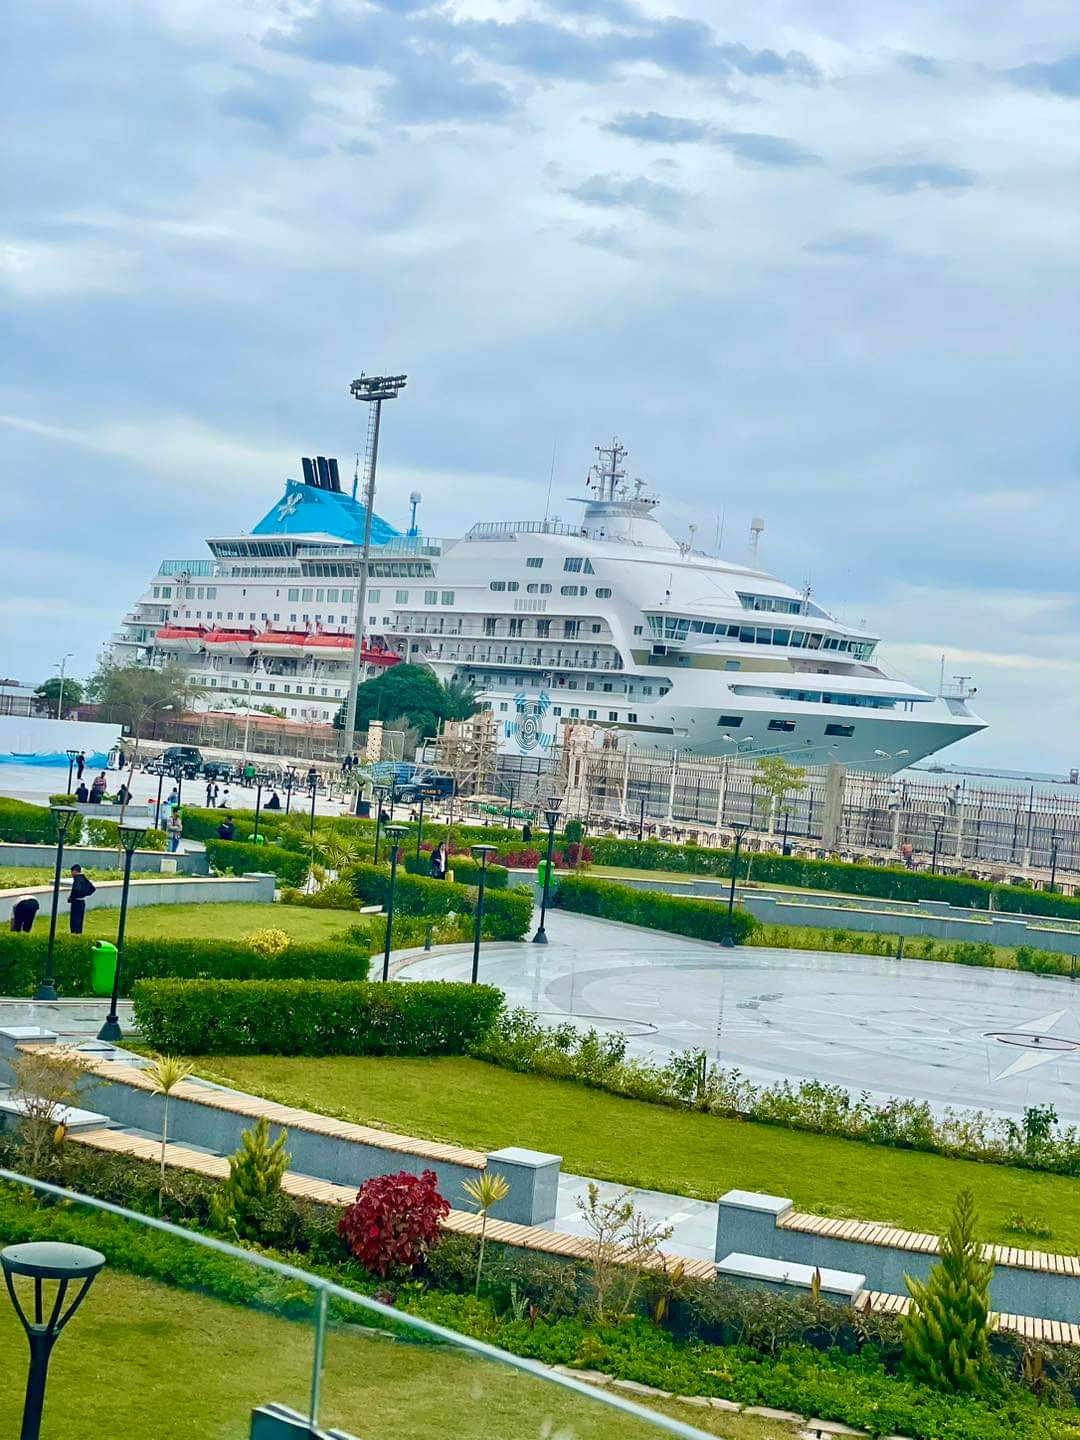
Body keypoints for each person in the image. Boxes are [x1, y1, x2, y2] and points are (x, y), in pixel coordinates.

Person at [68, 865, 95, 934]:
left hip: (76, 902)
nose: (71, 874)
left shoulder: (77, 879)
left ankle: (74, 933)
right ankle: (79, 932)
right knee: (80, 919)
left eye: (72, 872)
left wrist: (71, 898)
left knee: (74, 919)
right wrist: (85, 894)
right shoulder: (84, 878)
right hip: (82, 901)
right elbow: (92, 888)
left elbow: (76, 890)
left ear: (75, 871)